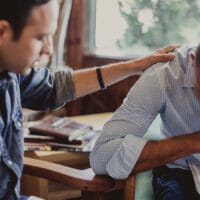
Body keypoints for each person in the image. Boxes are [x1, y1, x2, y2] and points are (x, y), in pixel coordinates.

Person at [0, 0, 178, 199]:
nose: (49, 49)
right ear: (2, 33)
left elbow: (56, 87)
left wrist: (135, 66)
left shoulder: (11, 74)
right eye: (41, 38)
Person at [90, 43, 200, 200]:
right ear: (193, 61)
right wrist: (191, 142)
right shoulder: (164, 74)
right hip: (181, 171)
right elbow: (102, 157)